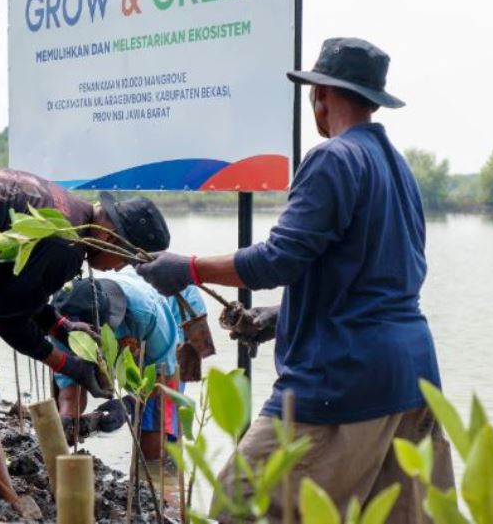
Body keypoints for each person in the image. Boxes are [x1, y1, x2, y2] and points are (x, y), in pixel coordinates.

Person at [135, 38, 455, 522]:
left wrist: (189, 268)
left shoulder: (333, 158)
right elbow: (382, 279)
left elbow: (278, 260)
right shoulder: (398, 167)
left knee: (239, 504)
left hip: (342, 377)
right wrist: (282, 317)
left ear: (321, 95)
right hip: (415, 377)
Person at [0, 169, 170, 518]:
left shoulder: (73, 217)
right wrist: (70, 365)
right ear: (111, 237)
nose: (117, 269)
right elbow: (8, 320)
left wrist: (62, 327)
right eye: (124, 259)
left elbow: (17, 291)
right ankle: (6, 497)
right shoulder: (66, 247)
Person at [50, 273, 200, 467]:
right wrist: (67, 421)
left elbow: (165, 375)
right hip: (135, 322)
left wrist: (128, 404)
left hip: (176, 309)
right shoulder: (61, 329)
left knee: (153, 441)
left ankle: (164, 484)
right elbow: (70, 393)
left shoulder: (145, 313)